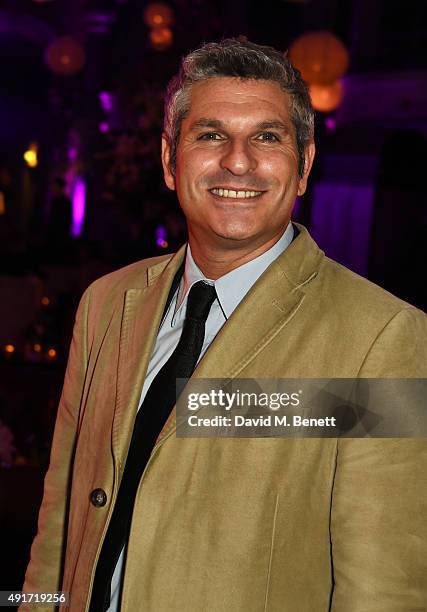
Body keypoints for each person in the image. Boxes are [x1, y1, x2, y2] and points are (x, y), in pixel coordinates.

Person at [22, 39, 426, 611]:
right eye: (211, 135)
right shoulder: (105, 305)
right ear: (169, 160)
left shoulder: (383, 339)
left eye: (267, 137)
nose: (239, 161)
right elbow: (60, 519)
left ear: (304, 164)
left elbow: (385, 593)